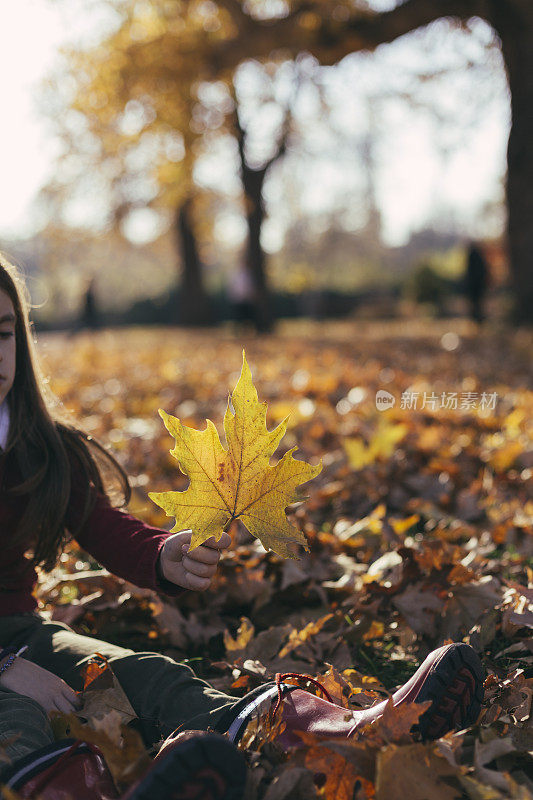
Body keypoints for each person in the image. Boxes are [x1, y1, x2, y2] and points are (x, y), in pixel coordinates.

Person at [0, 255, 485, 800]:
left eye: (3, 333)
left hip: (19, 627)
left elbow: (102, 525)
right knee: (12, 717)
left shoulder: (38, 447)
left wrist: (163, 555)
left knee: (146, 676)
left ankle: (339, 737)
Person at [464, 241, 489, 323]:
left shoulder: (472, 256)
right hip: (478, 284)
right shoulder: (479, 257)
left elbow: (469, 271)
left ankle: (477, 319)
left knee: (475, 303)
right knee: (478, 303)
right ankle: (477, 319)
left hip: (474, 285)